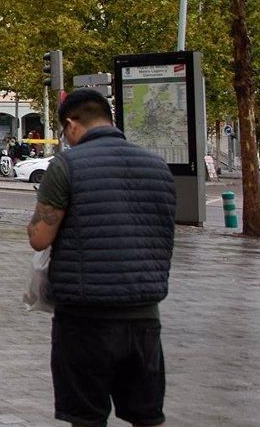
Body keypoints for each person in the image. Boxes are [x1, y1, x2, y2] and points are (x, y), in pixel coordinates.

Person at [28, 89, 175, 427]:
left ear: (71, 124)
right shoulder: (157, 167)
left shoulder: (66, 166)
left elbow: (40, 238)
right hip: (143, 316)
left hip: (84, 318)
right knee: (147, 416)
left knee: (86, 417)